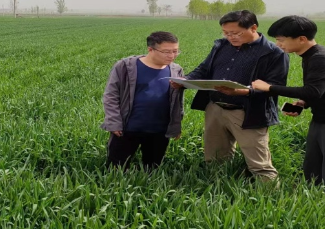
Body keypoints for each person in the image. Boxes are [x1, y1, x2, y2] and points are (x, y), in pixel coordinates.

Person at [251, 15, 325, 197]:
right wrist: (303, 103)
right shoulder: (310, 56)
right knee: (313, 172)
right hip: (324, 120)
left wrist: (269, 88)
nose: (278, 44)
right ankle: (317, 206)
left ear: (301, 39)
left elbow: (312, 91)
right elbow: (321, 89)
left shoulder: (322, 58)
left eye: (281, 40)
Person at [173, 10, 289, 181]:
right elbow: (204, 68)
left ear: (253, 28)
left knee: (259, 164)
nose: (230, 37)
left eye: (235, 33)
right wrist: (186, 80)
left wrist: (243, 91)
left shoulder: (273, 53)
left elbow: (276, 86)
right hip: (215, 108)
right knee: (215, 158)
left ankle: (269, 193)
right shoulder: (221, 46)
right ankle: (217, 188)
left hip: (248, 111)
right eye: (226, 33)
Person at [101, 31, 185, 170]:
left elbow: (178, 101)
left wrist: (176, 125)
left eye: (175, 51)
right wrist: (113, 122)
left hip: (159, 130)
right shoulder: (125, 66)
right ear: (150, 49)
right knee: (116, 169)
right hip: (127, 129)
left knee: (152, 169)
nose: (171, 55)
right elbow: (111, 96)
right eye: (166, 52)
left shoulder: (176, 70)